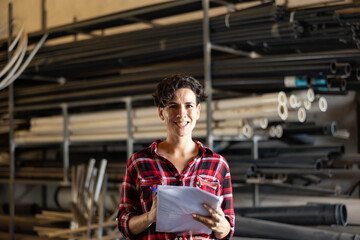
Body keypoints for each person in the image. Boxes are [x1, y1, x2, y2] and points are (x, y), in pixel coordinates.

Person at [117, 74, 234, 239]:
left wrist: (222, 226)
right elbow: (123, 224)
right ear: (161, 112)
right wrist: (150, 217)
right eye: (173, 106)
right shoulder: (139, 162)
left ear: (198, 111)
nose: (181, 113)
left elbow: (228, 227)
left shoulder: (218, 164)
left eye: (189, 106)